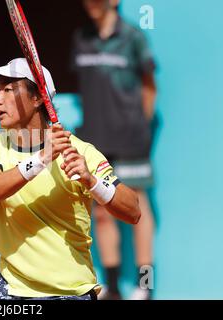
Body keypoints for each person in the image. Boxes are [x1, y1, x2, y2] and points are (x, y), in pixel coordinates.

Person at [0, 57, 141, 300]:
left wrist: (91, 181)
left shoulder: (82, 152)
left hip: (70, 291)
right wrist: (43, 158)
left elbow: (133, 211)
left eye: (8, 90)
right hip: (12, 288)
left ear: (38, 98)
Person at [70, 0, 157, 300]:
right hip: (96, 141)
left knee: (137, 210)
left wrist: (139, 128)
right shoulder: (81, 39)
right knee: (103, 213)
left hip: (131, 141)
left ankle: (145, 286)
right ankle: (114, 288)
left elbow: (149, 88)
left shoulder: (133, 37)